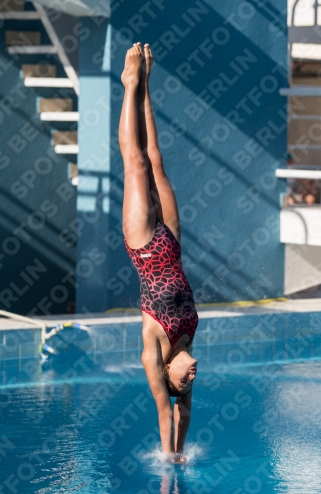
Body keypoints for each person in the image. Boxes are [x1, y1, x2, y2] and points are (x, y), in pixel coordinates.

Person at [119, 42, 199, 463]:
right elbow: (184, 411)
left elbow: (166, 411)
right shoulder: (188, 342)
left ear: (168, 374)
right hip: (174, 241)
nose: (192, 375)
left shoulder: (154, 351)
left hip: (147, 247)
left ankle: (129, 84)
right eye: (191, 380)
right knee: (157, 159)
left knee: (135, 163)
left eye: (183, 380)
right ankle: (147, 84)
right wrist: (183, 453)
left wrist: (169, 462)